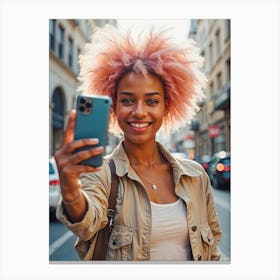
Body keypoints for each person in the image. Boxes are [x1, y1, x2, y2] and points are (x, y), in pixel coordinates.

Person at [55, 25, 222, 261]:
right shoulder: (99, 173)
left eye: (152, 101)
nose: (139, 112)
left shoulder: (196, 177)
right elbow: (86, 224)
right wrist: (71, 189)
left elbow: (212, 249)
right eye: (127, 100)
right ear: (113, 108)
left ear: (168, 106)